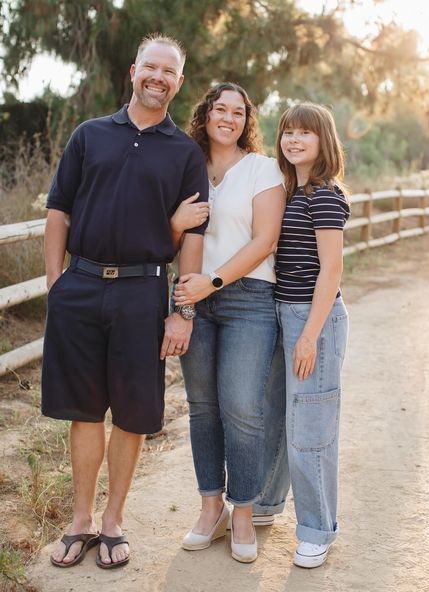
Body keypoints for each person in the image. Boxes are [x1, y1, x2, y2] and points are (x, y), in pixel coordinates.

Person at [42, 33, 209, 569]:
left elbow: (195, 239)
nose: (158, 77)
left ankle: (113, 521)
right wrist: (55, 286)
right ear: (134, 70)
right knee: (85, 411)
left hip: (143, 292)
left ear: (179, 83)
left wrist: (182, 311)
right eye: (151, 67)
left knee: (134, 415)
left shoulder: (185, 153)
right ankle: (80, 521)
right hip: (81, 285)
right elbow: (58, 213)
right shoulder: (89, 135)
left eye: (170, 72)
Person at [173, 82, 287, 563]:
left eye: (238, 112)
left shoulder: (262, 169)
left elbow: (264, 241)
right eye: (220, 108)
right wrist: (177, 227)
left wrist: (211, 283)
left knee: (241, 406)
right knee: (202, 407)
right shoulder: (185, 165)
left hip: (249, 299)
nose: (228, 118)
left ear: (247, 121)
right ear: (207, 113)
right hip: (191, 297)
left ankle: (244, 512)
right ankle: (209, 509)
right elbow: (165, 233)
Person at [274, 102, 350, 568]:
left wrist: (309, 335)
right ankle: (266, 506)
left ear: (324, 141)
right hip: (285, 311)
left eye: (305, 133)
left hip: (313, 318)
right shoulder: (290, 192)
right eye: (287, 132)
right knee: (288, 418)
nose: (294, 140)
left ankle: (317, 529)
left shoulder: (323, 194)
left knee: (311, 428)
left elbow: (332, 268)